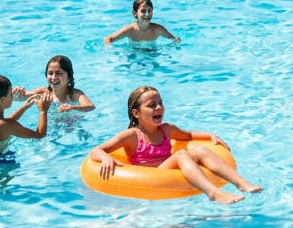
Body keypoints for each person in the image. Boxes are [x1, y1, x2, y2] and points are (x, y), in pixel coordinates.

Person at [87, 86, 262, 204]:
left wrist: (211, 136)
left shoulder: (167, 129)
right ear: (136, 113)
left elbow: (190, 135)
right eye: (152, 105)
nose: (159, 108)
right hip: (151, 177)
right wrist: (105, 158)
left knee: (200, 150)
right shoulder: (131, 136)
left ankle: (241, 183)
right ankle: (215, 194)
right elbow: (96, 150)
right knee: (181, 155)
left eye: (161, 103)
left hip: (169, 170)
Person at [0, 75, 51, 149]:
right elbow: (39, 135)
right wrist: (43, 111)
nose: (13, 97)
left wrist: (25, 107)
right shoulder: (7, 125)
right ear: (3, 100)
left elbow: (4, 122)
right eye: (11, 95)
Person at [18, 55, 95, 112]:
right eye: (50, 73)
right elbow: (21, 97)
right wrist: (18, 93)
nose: (54, 77)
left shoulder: (74, 94)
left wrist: (72, 107)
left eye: (59, 73)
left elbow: (90, 106)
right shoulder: (43, 92)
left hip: (73, 126)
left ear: (69, 77)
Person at [105, 0, 182, 45]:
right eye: (143, 11)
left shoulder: (157, 29)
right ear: (135, 13)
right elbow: (108, 39)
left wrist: (176, 44)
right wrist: (112, 54)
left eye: (149, 10)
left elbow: (175, 39)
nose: (147, 14)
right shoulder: (130, 30)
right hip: (134, 53)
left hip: (152, 53)